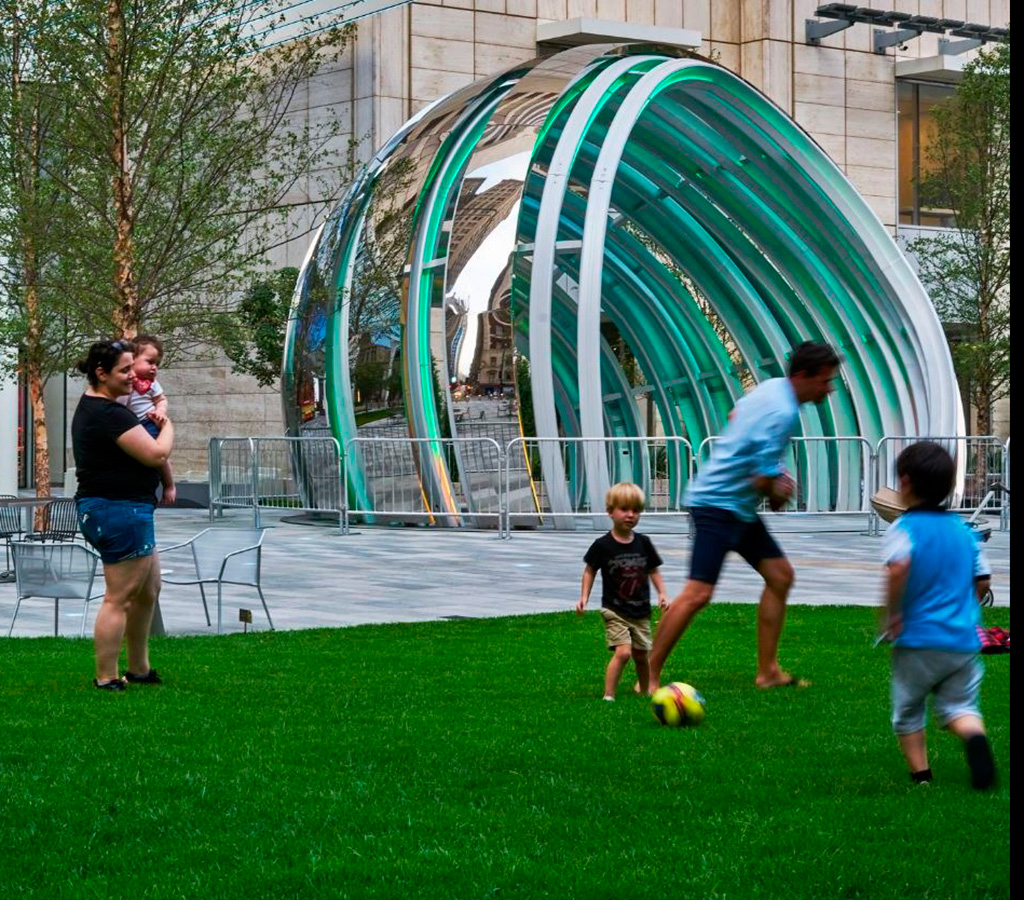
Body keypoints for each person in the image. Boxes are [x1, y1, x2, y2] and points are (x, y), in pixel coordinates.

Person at [647, 341, 840, 692]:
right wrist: (780, 491)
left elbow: (736, 417)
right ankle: (649, 677)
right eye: (824, 381)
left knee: (780, 576)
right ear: (802, 376)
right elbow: (760, 477)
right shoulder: (784, 413)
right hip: (716, 504)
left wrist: (766, 476)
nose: (828, 389)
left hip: (738, 508)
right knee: (698, 593)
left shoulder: (770, 390)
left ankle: (768, 672)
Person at [879, 441, 996, 789]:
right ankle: (974, 737)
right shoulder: (964, 530)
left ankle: (922, 777)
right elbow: (983, 578)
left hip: (918, 640)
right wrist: (967, 607)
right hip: (962, 639)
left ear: (905, 482)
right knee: (960, 706)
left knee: (909, 710)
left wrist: (893, 614)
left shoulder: (902, 529)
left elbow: (898, 568)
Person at [72, 340, 175, 691]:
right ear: (101, 373)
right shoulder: (108, 413)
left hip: (125, 509)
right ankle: (107, 677)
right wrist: (167, 423)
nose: (133, 376)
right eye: (124, 370)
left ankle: (140, 668)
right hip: (118, 510)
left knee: (148, 589)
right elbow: (156, 455)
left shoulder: (104, 407)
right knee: (119, 597)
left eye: (133, 367)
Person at [576, 483, 668, 701]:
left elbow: (653, 569)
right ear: (610, 512)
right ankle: (609, 695)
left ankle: (646, 691)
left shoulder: (644, 543)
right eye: (624, 509)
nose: (630, 515)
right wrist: (584, 597)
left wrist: (662, 593)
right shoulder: (603, 545)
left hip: (641, 611)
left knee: (641, 656)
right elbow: (590, 570)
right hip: (614, 610)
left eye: (636, 510)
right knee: (624, 652)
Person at [117, 334, 176, 505]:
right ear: (132, 360)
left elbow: (161, 399)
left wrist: (160, 411)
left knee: (160, 457)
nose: (154, 368)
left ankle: (169, 485)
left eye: (156, 364)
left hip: (148, 422)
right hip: (130, 425)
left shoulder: (151, 383)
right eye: (150, 362)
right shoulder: (125, 380)